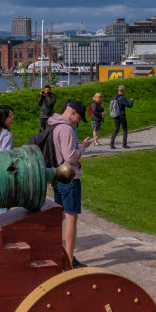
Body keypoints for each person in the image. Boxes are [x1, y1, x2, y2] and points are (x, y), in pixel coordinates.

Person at [47, 98, 98, 267]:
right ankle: (68, 259)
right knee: (70, 218)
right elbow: (70, 157)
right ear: (73, 112)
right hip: (69, 177)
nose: (78, 122)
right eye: (78, 118)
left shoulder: (53, 125)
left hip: (57, 176)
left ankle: (56, 251)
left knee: (60, 215)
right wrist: (83, 147)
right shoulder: (67, 129)